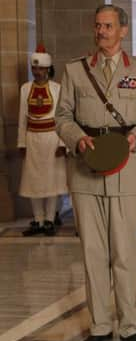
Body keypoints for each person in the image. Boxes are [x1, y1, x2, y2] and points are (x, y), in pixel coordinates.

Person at [55, 4, 136, 341]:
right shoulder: (75, 71)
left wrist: (134, 139)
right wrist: (76, 139)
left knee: (125, 252)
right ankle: (100, 324)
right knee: (93, 252)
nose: (101, 31)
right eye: (98, 25)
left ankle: (130, 324)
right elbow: (63, 116)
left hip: (127, 169)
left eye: (108, 26)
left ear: (123, 31)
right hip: (86, 170)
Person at [18, 45, 67, 236]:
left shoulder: (57, 89)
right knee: (33, 181)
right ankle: (37, 220)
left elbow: (62, 119)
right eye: (34, 69)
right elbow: (23, 117)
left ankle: (49, 219)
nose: (37, 72)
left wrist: (63, 143)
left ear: (48, 69)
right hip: (32, 139)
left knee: (52, 180)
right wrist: (21, 143)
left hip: (52, 138)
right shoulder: (25, 89)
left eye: (40, 69)